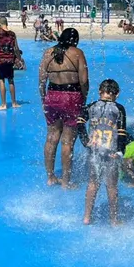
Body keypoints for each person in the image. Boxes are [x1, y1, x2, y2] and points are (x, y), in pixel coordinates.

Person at [39, 28, 89, 188]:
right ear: (75, 40)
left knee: (51, 137)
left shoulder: (48, 52)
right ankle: (66, 182)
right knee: (67, 141)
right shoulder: (78, 53)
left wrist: (43, 98)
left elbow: (41, 80)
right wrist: (84, 97)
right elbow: (83, 80)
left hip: (52, 96)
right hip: (71, 97)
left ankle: (50, 177)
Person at [82, 79, 127, 226]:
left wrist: (84, 140)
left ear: (99, 92)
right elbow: (121, 132)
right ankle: (114, 220)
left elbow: (79, 121)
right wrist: (120, 151)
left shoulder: (91, 106)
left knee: (93, 183)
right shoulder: (119, 109)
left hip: (94, 152)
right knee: (112, 186)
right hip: (111, 153)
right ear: (117, 94)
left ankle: (87, 217)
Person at [0, 17, 21, 110]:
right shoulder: (13, 34)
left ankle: (3, 104)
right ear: (6, 23)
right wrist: (19, 59)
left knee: (1, 80)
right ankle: (14, 103)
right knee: (11, 80)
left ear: (0, 24)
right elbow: (16, 48)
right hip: (10, 60)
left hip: (1, 60)